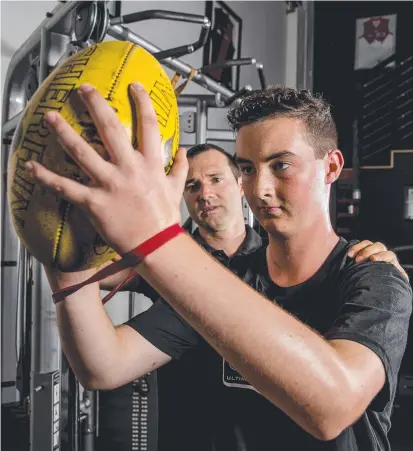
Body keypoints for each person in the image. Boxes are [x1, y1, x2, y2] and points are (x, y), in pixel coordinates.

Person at [30, 83, 412, 451]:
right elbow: (103, 365)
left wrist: (155, 236)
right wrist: (64, 254)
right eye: (247, 168)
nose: (259, 188)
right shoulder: (225, 275)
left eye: (281, 165)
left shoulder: (373, 276)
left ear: (331, 167)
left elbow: (332, 407)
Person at [98, 142, 406, 451]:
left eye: (216, 179)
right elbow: (94, 271)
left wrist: (377, 272)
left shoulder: (276, 261)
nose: (205, 194)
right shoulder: (170, 262)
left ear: (239, 186)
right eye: (192, 186)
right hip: (193, 429)